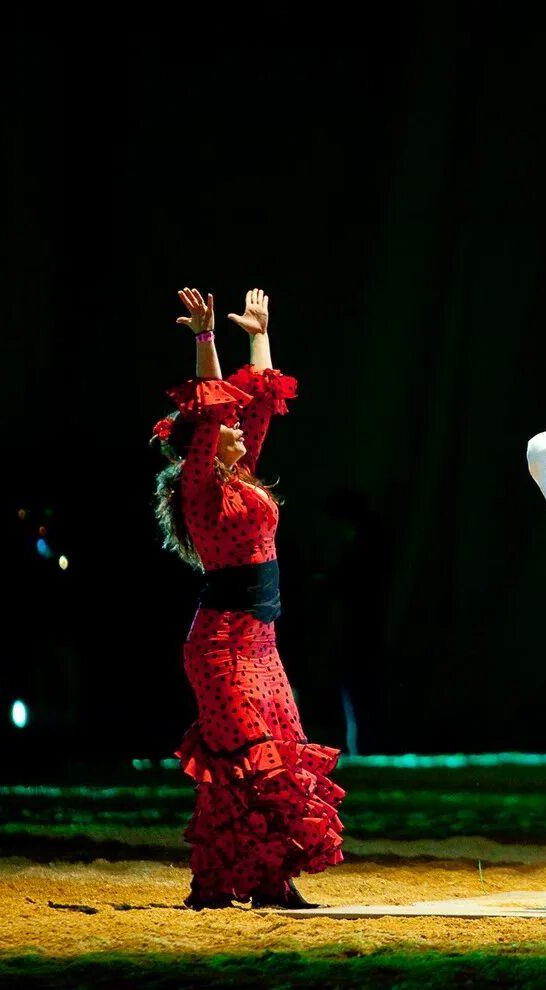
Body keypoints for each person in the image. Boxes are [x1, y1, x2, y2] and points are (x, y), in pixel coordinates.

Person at [151, 286, 344, 909]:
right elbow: (214, 415)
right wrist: (205, 340)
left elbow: (257, 403)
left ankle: (229, 883)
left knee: (262, 759)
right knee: (252, 763)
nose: (235, 427)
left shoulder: (242, 475)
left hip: (261, 646)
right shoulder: (204, 489)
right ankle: (247, 882)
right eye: (224, 428)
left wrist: (259, 332)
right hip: (220, 648)